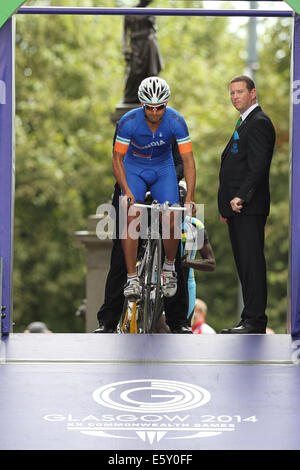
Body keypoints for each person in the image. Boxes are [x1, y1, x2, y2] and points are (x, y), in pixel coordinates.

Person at [113, 76, 196, 304]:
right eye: (150, 107)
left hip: (163, 169)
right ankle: (132, 278)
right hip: (134, 167)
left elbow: (188, 160)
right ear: (142, 105)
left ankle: (169, 268)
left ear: (166, 105)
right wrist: (126, 191)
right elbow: (117, 159)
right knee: (131, 216)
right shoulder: (128, 121)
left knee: (172, 215)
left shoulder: (176, 121)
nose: (155, 112)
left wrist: (189, 197)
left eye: (160, 107)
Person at [95, 141, 191, 334]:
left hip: (164, 188)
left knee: (172, 250)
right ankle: (108, 321)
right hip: (131, 189)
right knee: (120, 255)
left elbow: (180, 162)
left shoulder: (172, 126)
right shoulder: (128, 126)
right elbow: (119, 160)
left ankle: (178, 321)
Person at [218, 75, 276, 334]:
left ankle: (255, 321)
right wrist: (225, 206)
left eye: (239, 92)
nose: (234, 97)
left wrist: (242, 196)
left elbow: (258, 166)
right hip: (236, 210)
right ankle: (248, 317)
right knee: (244, 264)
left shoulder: (259, 122)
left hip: (248, 207)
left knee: (252, 262)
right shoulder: (244, 122)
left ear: (253, 93)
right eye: (231, 93)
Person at [122, 0, 163, 104]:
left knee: (151, 73)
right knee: (134, 72)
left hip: (148, 45)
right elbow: (125, 31)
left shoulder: (150, 12)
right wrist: (125, 47)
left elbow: (154, 30)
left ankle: (149, 97)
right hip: (136, 45)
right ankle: (131, 97)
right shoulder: (130, 12)